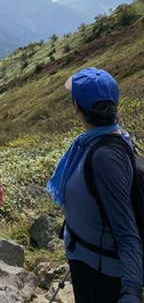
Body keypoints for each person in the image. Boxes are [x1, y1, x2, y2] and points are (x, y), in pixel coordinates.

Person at [47, 67, 143, 303]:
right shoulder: (107, 140)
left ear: (77, 107)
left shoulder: (103, 158)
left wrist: (131, 291)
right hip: (88, 259)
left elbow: (126, 229)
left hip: (101, 274)